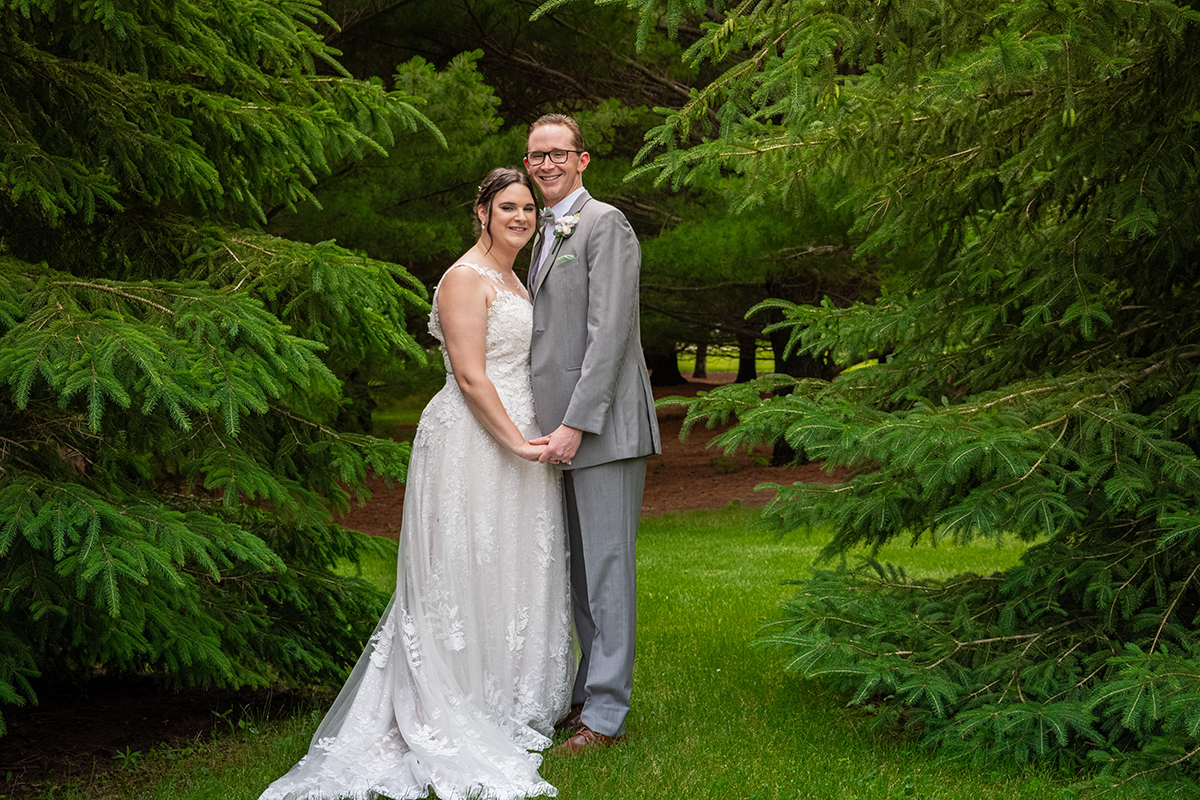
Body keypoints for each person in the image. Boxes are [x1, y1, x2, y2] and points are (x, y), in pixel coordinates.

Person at [258, 168, 573, 800]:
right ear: (480, 213)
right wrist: (515, 441)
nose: (521, 217)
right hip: (476, 439)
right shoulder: (464, 279)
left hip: (523, 434)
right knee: (463, 565)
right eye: (508, 206)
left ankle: (508, 696)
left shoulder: (515, 276)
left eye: (529, 209)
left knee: (511, 561)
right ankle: (452, 700)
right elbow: (469, 375)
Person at [524, 114, 661, 754]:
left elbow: (610, 336)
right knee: (577, 570)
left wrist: (577, 422)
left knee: (607, 570)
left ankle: (606, 717)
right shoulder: (542, 230)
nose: (546, 164)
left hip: (602, 428)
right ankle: (585, 692)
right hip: (558, 429)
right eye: (535, 156)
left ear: (583, 160)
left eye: (558, 154)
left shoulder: (606, 224)